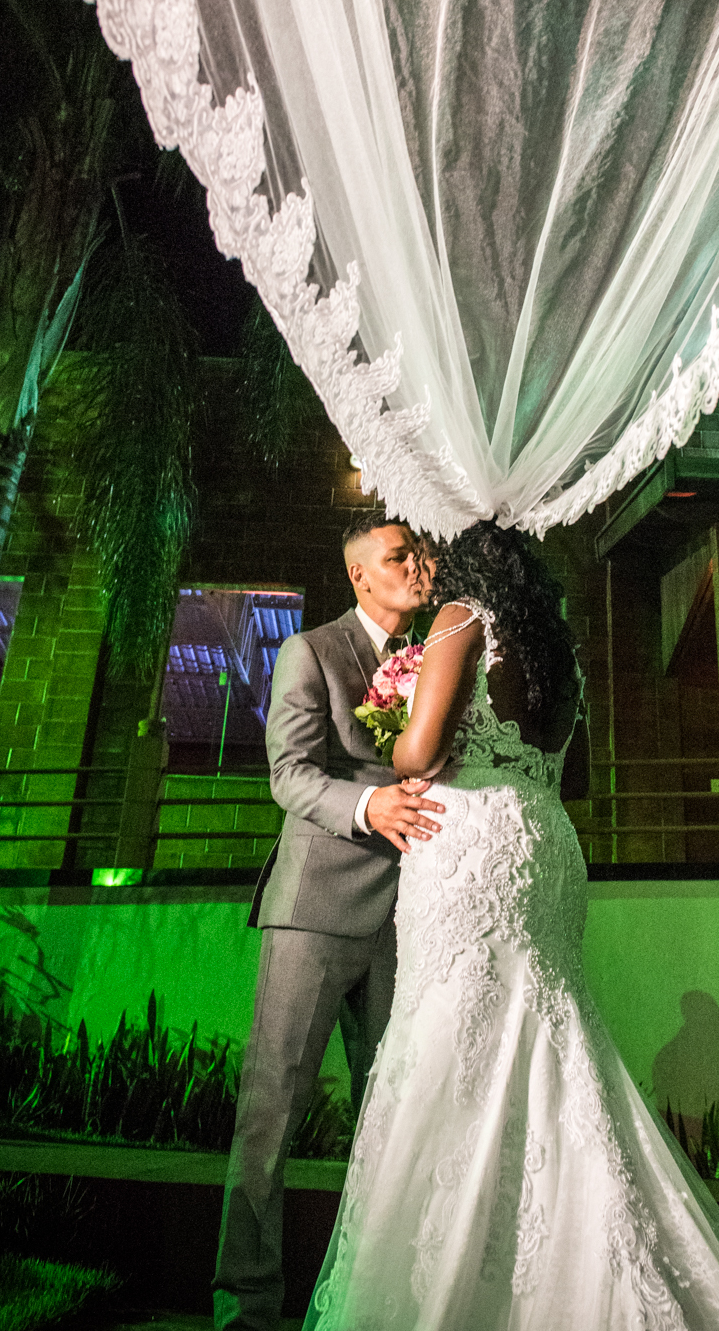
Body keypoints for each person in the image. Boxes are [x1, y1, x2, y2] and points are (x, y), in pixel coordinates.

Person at [303, 520, 719, 1331]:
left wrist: (401, 720)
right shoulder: (559, 649)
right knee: (553, 1033)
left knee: (452, 1041)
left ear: (468, 564)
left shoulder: (460, 623)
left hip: (469, 846)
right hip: (545, 842)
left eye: (437, 555)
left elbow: (420, 756)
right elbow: (565, 771)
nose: (429, 567)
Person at [214, 512, 446, 1331]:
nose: (418, 565)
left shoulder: (444, 657)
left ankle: (372, 1300)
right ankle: (246, 1304)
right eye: (399, 556)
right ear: (360, 576)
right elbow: (289, 774)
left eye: (420, 553)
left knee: (393, 1116)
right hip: (315, 909)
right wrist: (369, 802)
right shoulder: (310, 652)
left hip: (412, 919)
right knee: (272, 1106)